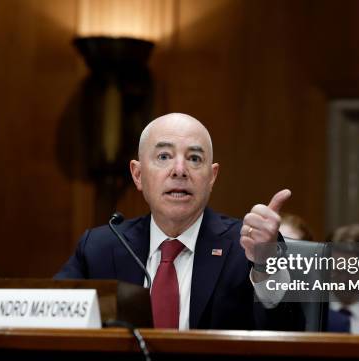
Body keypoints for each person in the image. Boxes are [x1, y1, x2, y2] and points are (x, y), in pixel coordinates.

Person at [56, 113, 299, 330]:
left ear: (212, 177)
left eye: (194, 158)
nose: (180, 170)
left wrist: (266, 264)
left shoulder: (249, 247)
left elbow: (293, 333)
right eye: (164, 156)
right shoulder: (100, 248)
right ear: (138, 175)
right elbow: (52, 316)